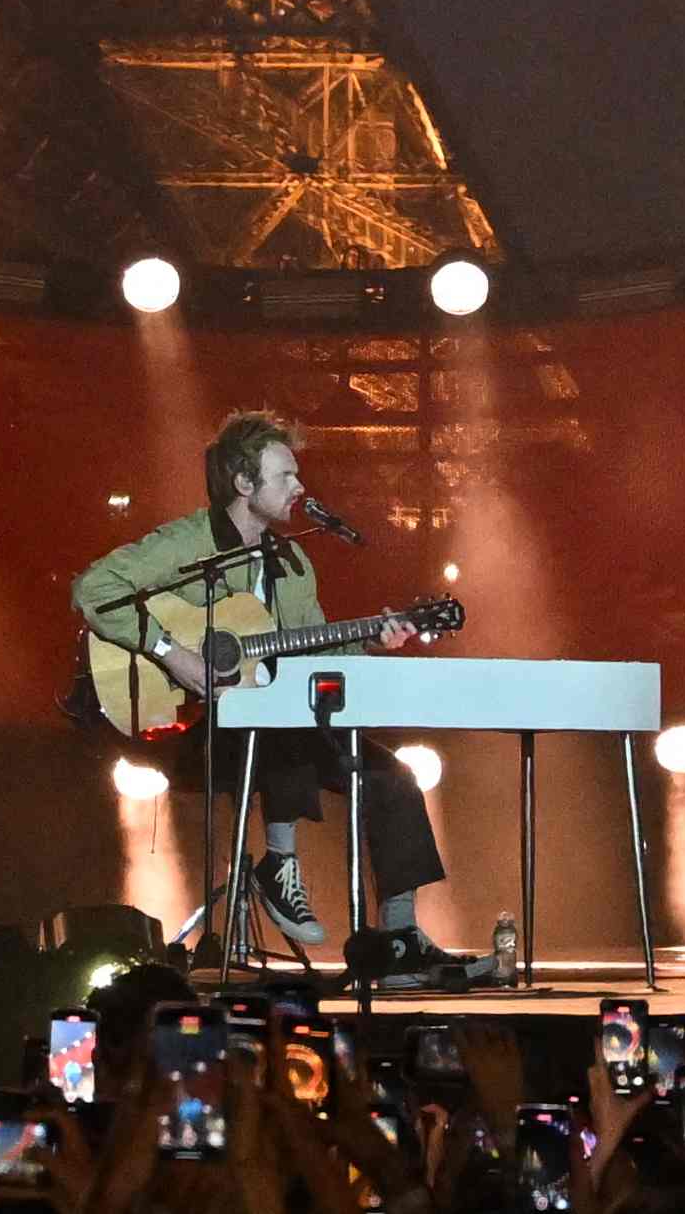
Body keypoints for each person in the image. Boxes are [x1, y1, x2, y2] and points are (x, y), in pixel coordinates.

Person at [72, 413, 476, 988]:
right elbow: (93, 591)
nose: (298, 489)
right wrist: (172, 652)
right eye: (285, 476)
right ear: (244, 484)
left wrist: (373, 639)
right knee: (278, 722)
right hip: (189, 728)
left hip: (269, 729)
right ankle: (279, 865)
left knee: (391, 775)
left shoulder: (292, 562)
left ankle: (400, 937)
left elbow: (310, 660)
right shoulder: (185, 543)